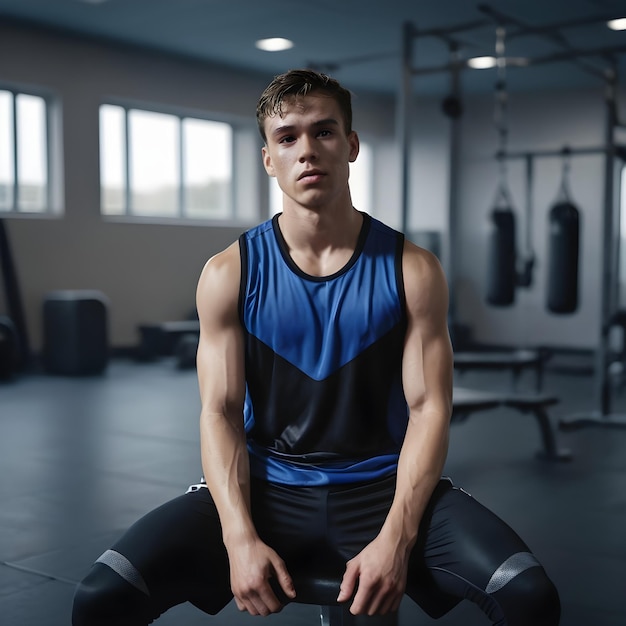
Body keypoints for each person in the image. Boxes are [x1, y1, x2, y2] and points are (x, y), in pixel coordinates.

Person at [72, 69, 560, 626]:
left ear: (350, 146)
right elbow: (220, 412)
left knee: (528, 594)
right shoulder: (229, 273)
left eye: (324, 132)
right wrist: (238, 539)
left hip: (381, 490)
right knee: (101, 596)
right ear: (268, 159)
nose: (307, 151)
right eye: (287, 138)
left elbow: (430, 411)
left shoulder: (413, 270)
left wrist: (396, 540)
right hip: (266, 491)